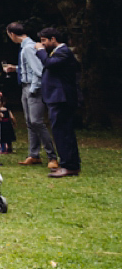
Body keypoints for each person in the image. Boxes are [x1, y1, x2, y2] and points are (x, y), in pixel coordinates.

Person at [3, 22, 58, 169]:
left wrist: (33, 89)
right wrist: (15, 69)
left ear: (12, 34)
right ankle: (33, 155)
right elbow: (30, 67)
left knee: (36, 122)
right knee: (29, 122)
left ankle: (52, 156)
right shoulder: (26, 47)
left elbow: (39, 70)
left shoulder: (28, 48)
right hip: (26, 87)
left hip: (33, 88)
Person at [39, 27, 81, 178]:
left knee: (63, 132)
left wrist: (40, 52)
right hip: (57, 97)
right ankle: (68, 163)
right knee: (61, 131)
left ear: (53, 39)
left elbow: (50, 64)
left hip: (62, 98)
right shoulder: (57, 53)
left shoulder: (63, 52)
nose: (41, 44)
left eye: (44, 41)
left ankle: (69, 165)